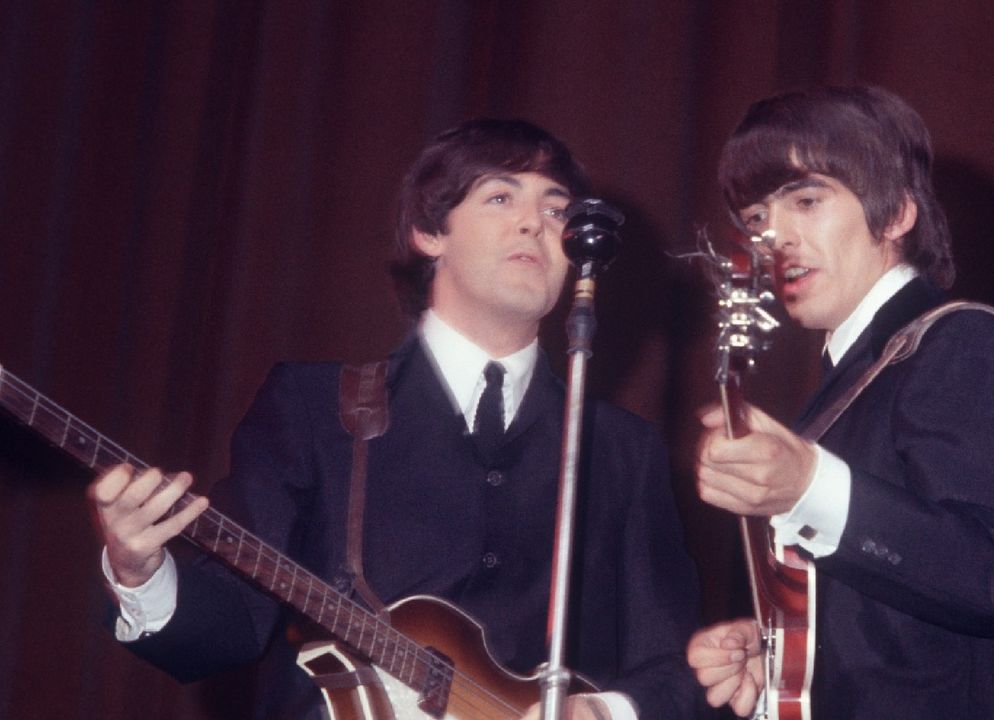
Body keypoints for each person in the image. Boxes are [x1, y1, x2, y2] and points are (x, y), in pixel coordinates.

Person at [90, 118, 703, 719]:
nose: (532, 222)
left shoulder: (621, 448)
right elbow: (229, 626)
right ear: (429, 233)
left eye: (554, 208)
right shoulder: (313, 406)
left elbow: (672, 670)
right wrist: (139, 571)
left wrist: (602, 710)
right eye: (499, 196)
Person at [686, 86, 994, 718]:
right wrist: (785, 658)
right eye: (757, 219)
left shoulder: (960, 342)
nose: (775, 237)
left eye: (806, 200)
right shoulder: (840, 392)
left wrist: (808, 488)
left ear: (895, 215)